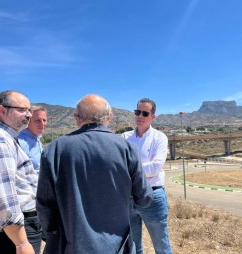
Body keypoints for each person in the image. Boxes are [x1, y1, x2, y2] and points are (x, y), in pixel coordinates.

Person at [36, 94, 153, 254]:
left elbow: (45, 204)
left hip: (70, 245)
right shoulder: (127, 149)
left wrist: (50, 234)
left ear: (76, 118)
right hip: (118, 247)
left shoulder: (54, 150)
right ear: (109, 117)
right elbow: (144, 197)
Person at [122, 98, 172, 254]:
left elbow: (156, 167)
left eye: (145, 113)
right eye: (137, 112)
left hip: (153, 196)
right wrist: (143, 168)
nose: (140, 116)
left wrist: (130, 168)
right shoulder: (124, 137)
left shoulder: (160, 138)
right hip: (129, 198)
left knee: (161, 246)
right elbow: (119, 165)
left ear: (153, 117)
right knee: (133, 246)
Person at [0, 90, 41, 254]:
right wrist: (22, 243)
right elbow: (4, 197)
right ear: (2, 111)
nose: (29, 115)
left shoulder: (9, 138)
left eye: (29, 110)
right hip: (19, 229)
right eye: (22, 109)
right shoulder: (3, 140)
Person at [18, 105, 48, 173]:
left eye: (44, 120)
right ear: (27, 121)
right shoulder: (20, 142)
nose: (42, 124)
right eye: (38, 120)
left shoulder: (36, 139)